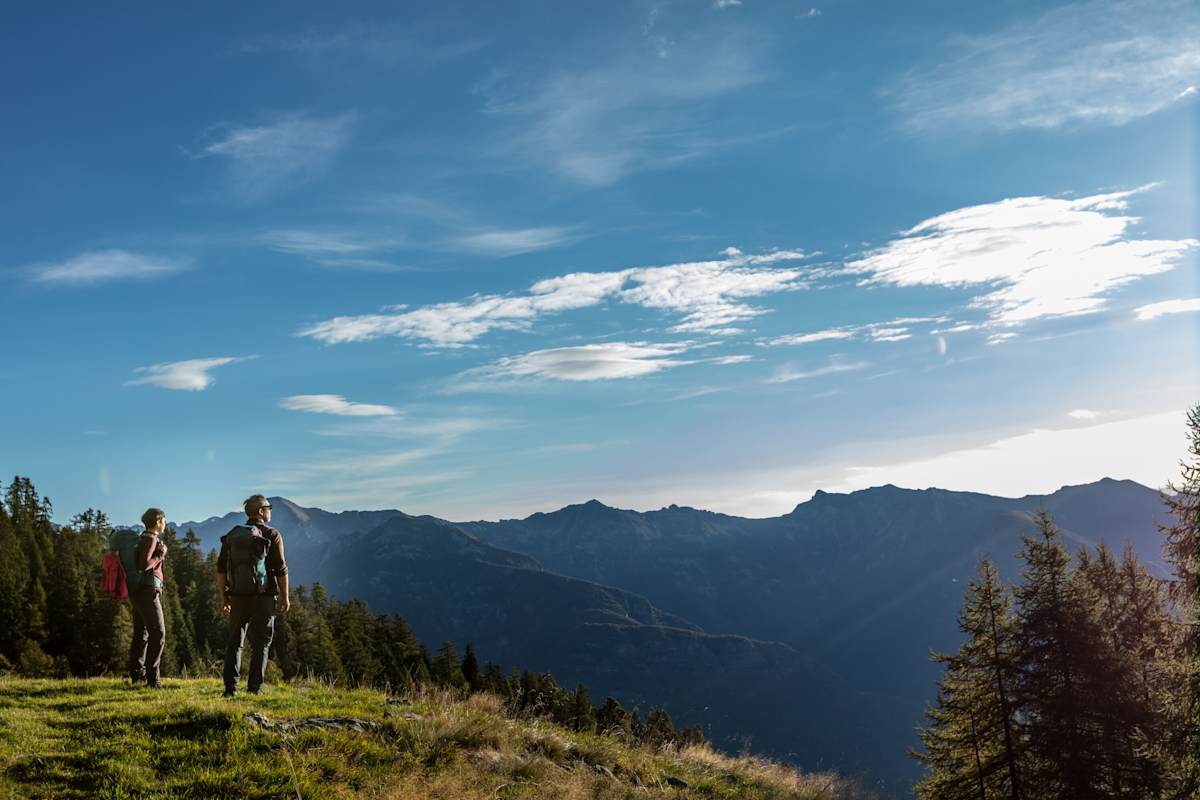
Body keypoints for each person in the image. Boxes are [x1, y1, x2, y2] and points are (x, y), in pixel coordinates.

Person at [217, 494, 289, 697]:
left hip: (238, 596)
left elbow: (221, 569)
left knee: (235, 642)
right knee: (261, 643)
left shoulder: (233, 535)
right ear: (260, 511)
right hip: (264, 597)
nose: (270, 510)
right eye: (269, 507)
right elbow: (281, 569)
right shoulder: (271, 534)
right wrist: (285, 597)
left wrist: (224, 596)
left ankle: (230, 689)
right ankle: (254, 689)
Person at [129, 507, 168, 688]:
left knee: (141, 633)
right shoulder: (151, 539)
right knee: (158, 633)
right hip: (147, 591)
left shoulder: (142, 538)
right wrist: (160, 554)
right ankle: (154, 680)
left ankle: (138, 675)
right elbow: (144, 564)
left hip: (137, 590)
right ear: (158, 521)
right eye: (164, 521)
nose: (165, 524)